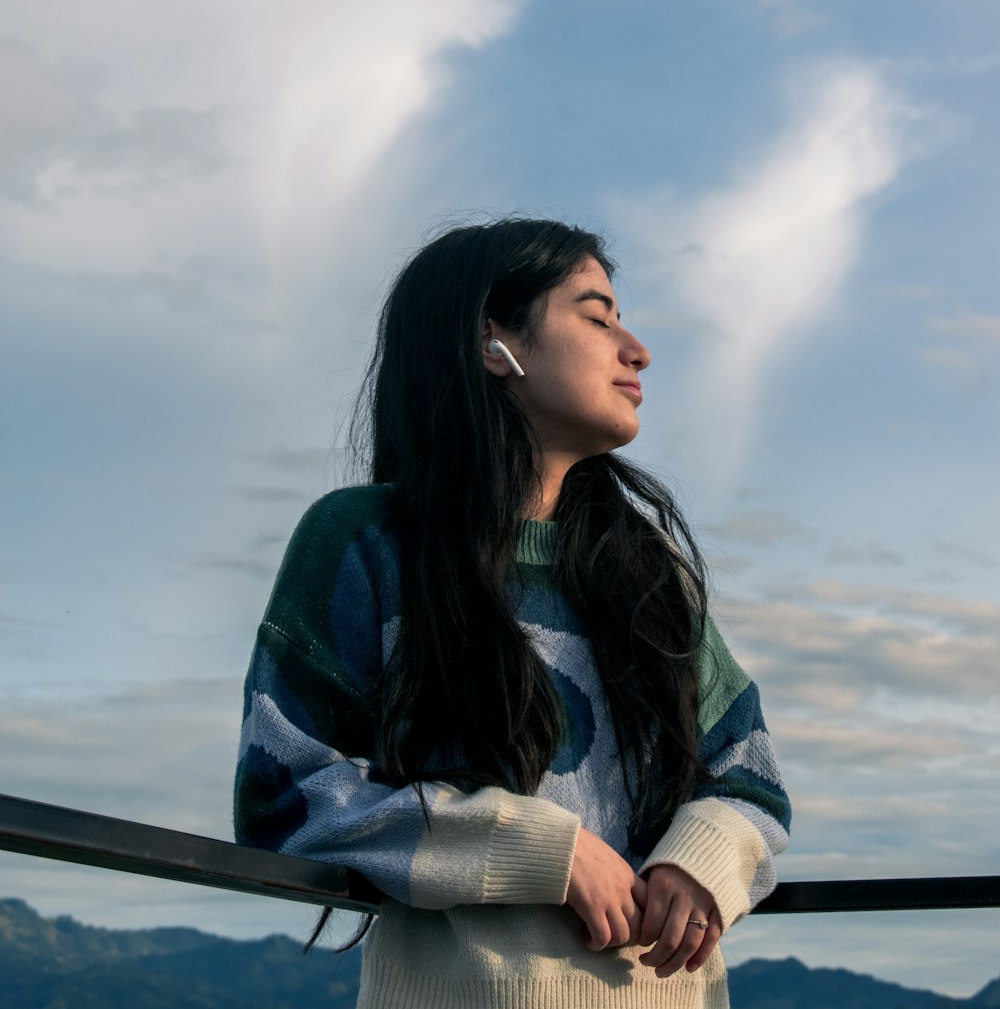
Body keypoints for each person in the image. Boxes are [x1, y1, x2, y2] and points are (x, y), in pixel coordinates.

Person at [234, 217, 790, 1008]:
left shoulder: (649, 573)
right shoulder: (368, 542)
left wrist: (701, 860)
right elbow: (281, 795)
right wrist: (542, 850)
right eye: (597, 316)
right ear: (491, 341)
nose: (637, 349)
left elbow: (751, 777)